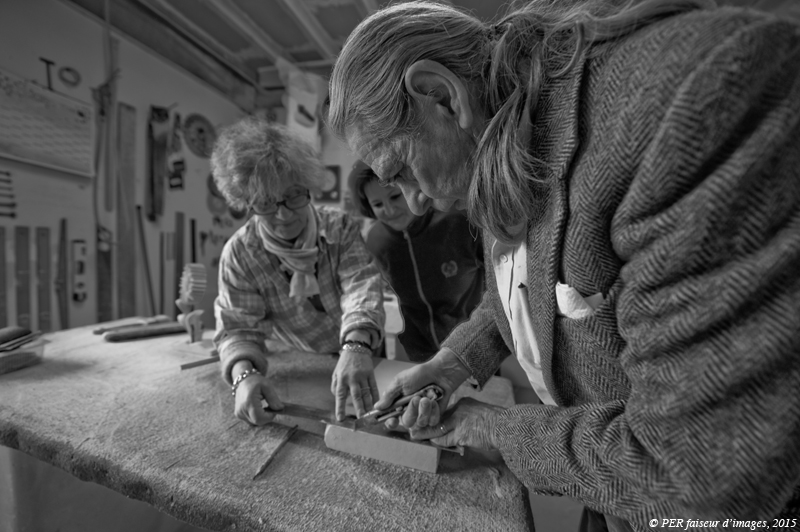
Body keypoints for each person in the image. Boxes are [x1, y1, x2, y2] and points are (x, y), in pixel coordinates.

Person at [327, 0, 800, 529]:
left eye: (400, 171)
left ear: (440, 95)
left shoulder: (690, 98)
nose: (414, 204)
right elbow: (523, 289)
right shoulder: (493, 136)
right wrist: (452, 364)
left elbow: (697, 477)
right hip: (608, 489)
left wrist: (496, 430)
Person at [211, 116, 385, 425]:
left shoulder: (340, 228)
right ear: (246, 203)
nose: (283, 215)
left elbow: (361, 285)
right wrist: (244, 377)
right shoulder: (240, 254)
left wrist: (356, 345)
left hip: (361, 351)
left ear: (308, 186)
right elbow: (237, 328)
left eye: (293, 196)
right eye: (266, 203)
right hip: (302, 364)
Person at [348, 161, 485, 362]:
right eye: (377, 204)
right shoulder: (376, 240)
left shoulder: (457, 221)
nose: (389, 210)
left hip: (473, 348)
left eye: (395, 197)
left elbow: (497, 281)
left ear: (414, 189)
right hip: (416, 352)